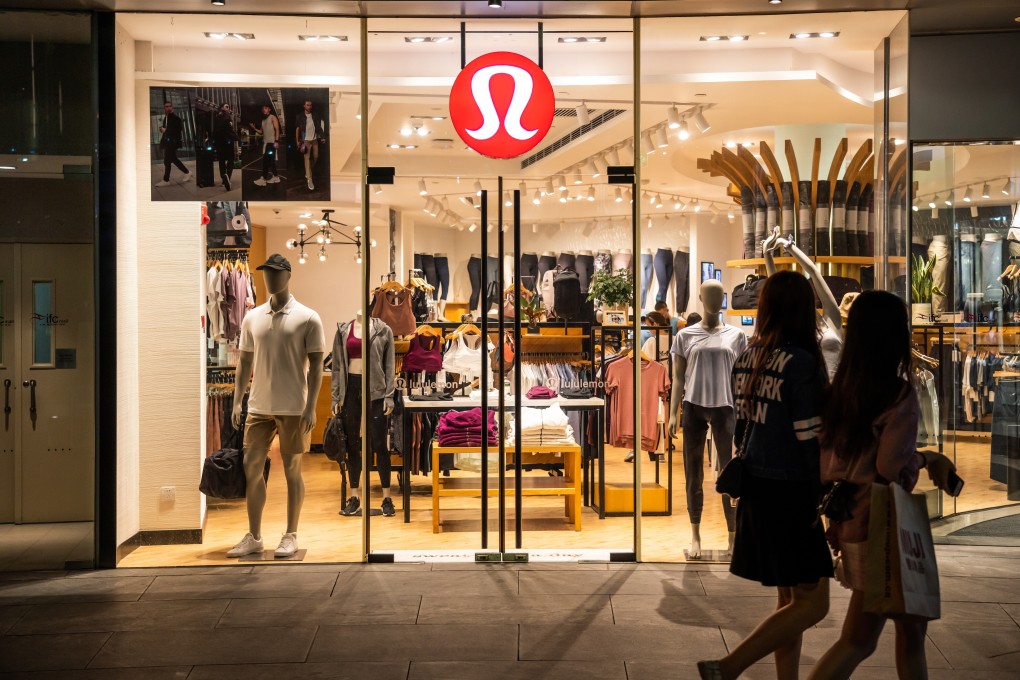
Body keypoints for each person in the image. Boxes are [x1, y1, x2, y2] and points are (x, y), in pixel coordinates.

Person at [808, 290, 955, 680]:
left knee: (862, 638)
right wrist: (928, 459)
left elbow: (828, 464)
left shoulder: (839, 393)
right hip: (885, 528)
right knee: (903, 636)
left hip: (851, 521)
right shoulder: (898, 395)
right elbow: (891, 467)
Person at [697, 271, 832, 680]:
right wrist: (825, 496)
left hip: (757, 484)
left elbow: (742, 426)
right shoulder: (803, 363)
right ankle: (728, 665)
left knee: (789, 598)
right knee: (814, 603)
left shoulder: (749, 357)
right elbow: (809, 438)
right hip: (792, 491)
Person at [227, 254, 326, 559]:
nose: (269, 278)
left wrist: (311, 408)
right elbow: (244, 361)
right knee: (251, 467)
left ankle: (291, 534)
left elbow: (317, 363)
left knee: (293, 470)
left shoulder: (308, 317)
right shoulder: (252, 317)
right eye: (265, 273)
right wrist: (237, 400)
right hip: (258, 406)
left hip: (293, 407)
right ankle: (255, 535)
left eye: (274, 272)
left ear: (287, 275)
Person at [669, 280, 745, 557]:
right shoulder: (685, 336)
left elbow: (742, 377)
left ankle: (733, 536)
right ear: (700, 297)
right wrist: (671, 413)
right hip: (693, 406)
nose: (713, 299)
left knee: (729, 475)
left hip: (726, 407)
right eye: (708, 294)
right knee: (693, 474)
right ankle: (695, 535)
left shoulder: (736, 336)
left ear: (722, 298)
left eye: (717, 295)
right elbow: (677, 377)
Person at [763, 226, 844, 379]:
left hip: (837, 397)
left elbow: (813, 272)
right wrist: (767, 253)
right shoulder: (795, 330)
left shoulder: (831, 322)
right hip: (811, 395)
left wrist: (788, 246)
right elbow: (776, 289)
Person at [155, 101, 193, 187]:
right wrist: (162, 129)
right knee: (169, 160)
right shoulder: (166, 118)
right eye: (166, 106)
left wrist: (166, 130)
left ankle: (168, 179)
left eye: (169, 106)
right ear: (164, 108)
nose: (168, 108)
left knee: (170, 159)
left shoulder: (176, 118)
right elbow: (167, 129)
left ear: (172, 108)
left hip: (173, 142)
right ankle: (168, 179)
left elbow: (177, 131)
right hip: (168, 142)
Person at [295, 98, 326, 191]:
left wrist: (323, 136)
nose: (309, 106)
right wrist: (297, 141)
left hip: (314, 140)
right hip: (306, 141)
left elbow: (318, 127)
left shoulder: (315, 115)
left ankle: (308, 171)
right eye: (307, 105)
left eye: (310, 105)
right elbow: (297, 129)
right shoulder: (299, 116)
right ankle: (309, 179)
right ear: (304, 106)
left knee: (316, 157)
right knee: (307, 159)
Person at [252, 104, 281, 187]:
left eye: (265, 108)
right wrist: (254, 129)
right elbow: (261, 132)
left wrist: (276, 141)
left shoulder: (272, 117)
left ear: (269, 109)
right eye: (263, 108)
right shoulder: (263, 120)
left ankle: (263, 179)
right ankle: (276, 177)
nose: (264, 110)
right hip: (265, 144)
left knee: (266, 161)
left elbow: (277, 129)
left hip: (271, 143)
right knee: (270, 161)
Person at [213, 102, 239, 191]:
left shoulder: (216, 116)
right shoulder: (227, 116)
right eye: (226, 107)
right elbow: (229, 128)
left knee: (221, 160)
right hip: (227, 142)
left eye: (228, 107)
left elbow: (215, 129)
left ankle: (224, 177)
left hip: (220, 142)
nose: (228, 108)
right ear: (221, 108)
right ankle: (226, 177)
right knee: (230, 159)